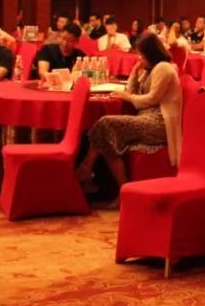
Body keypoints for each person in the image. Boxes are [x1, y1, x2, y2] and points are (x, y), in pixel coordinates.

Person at [77, 34, 182, 203]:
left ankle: (87, 168)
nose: (140, 59)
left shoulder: (164, 68)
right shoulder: (150, 69)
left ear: (151, 54)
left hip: (159, 123)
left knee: (105, 123)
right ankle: (121, 189)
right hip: (146, 117)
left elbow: (150, 99)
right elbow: (132, 91)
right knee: (107, 135)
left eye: (142, 55)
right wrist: (134, 71)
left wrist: (128, 97)